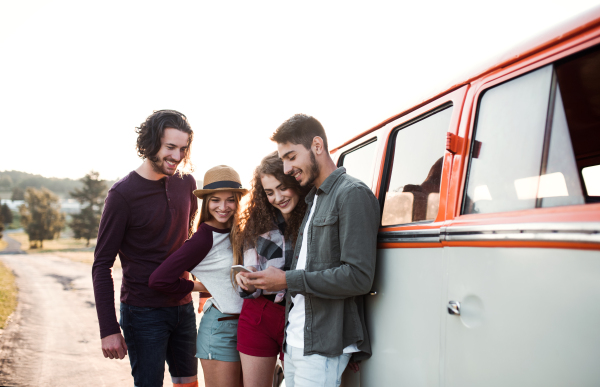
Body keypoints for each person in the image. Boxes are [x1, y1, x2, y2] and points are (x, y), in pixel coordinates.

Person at [240, 114, 380, 387]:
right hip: (295, 339)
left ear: (317, 145)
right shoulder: (314, 198)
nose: (288, 167)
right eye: (283, 160)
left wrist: (286, 280)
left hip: (321, 345)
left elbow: (358, 277)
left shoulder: (352, 194)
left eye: (291, 156)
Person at [92, 110, 199, 387]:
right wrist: (108, 329)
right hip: (143, 312)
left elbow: (190, 241)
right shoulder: (122, 195)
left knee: (188, 384)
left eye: (183, 149)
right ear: (151, 144)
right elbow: (101, 264)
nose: (177, 156)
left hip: (183, 308)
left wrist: (199, 285)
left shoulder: (186, 183)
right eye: (170, 147)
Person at [149, 165, 247, 387]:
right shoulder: (203, 238)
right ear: (207, 203)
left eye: (230, 200)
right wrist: (200, 286)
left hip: (249, 326)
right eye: (215, 200)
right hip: (221, 330)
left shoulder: (241, 232)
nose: (223, 207)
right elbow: (159, 279)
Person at [234, 152, 308, 387]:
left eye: (282, 188)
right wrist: (245, 281)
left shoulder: (315, 219)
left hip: (301, 315)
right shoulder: (256, 225)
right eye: (268, 192)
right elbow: (249, 284)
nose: (277, 198)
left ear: (295, 182)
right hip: (260, 315)